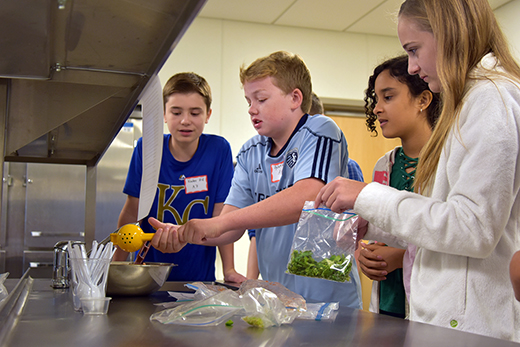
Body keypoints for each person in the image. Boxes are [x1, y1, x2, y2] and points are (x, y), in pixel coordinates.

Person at [315, 0, 520, 341]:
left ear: (449, 34)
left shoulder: (491, 98)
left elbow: (473, 228)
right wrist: (375, 221)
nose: (411, 67)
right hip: (447, 319)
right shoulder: (470, 100)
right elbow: (449, 220)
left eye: (414, 50)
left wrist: (369, 196)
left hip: (469, 326)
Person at [150, 51, 363, 308]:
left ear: (295, 98)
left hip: (328, 303)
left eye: (261, 99)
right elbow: (230, 227)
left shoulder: (319, 130)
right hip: (279, 300)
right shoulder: (250, 153)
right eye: (248, 101)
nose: (252, 109)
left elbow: (307, 197)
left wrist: (220, 223)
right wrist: (187, 234)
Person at [114, 72, 246, 284]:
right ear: (164, 114)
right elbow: (132, 211)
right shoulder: (147, 148)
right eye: (176, 112)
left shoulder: (218, 150)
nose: (185, 121)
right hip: (147, 278)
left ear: (208, 115)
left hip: (199, 281)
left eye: (195, 113)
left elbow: (221, 217)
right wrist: (117, 265)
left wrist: (229, 269)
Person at [245, 91, 365, 280]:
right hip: (278, 279)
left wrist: (350, 269)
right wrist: (250, 281)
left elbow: (355, 226)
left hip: (324, 276)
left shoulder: (348, 168)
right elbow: (256, 234)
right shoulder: (266, 165)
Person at [358, 55, 440, 319]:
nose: (377, 109)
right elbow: (381, 232)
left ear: (423, 100)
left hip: (432, 309)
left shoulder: (447, 163)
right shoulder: (385, 165)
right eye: (376, 100)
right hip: (388, 304)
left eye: (388, 97)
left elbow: (454, 234)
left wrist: (402, 257)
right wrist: (367, 255)